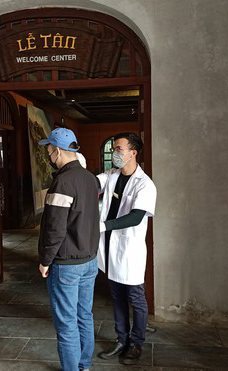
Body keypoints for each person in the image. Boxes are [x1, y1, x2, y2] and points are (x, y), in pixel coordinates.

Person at [37, 127, 100, 371]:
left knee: (66, 325)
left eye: (49, 150)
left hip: (66, 265)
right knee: (84, 316)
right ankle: (84, 365)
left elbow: (55, 228)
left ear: (57, 150)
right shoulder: (89, 178)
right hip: (89, 260)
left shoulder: (62, 181)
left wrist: (45, 260)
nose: (48, 155)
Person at [96, 132, 157, 365]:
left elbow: (135, 217)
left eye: (119, 149)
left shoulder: (145, 184)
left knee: (136, 298)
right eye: (113, 149)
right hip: (110, 246)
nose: (115, 153)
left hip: (128, 249)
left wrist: (103, 225)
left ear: (133, 152)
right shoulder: (111, 175)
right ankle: (121, 339)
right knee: (117, 296)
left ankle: (136, 343)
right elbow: (93, 182)